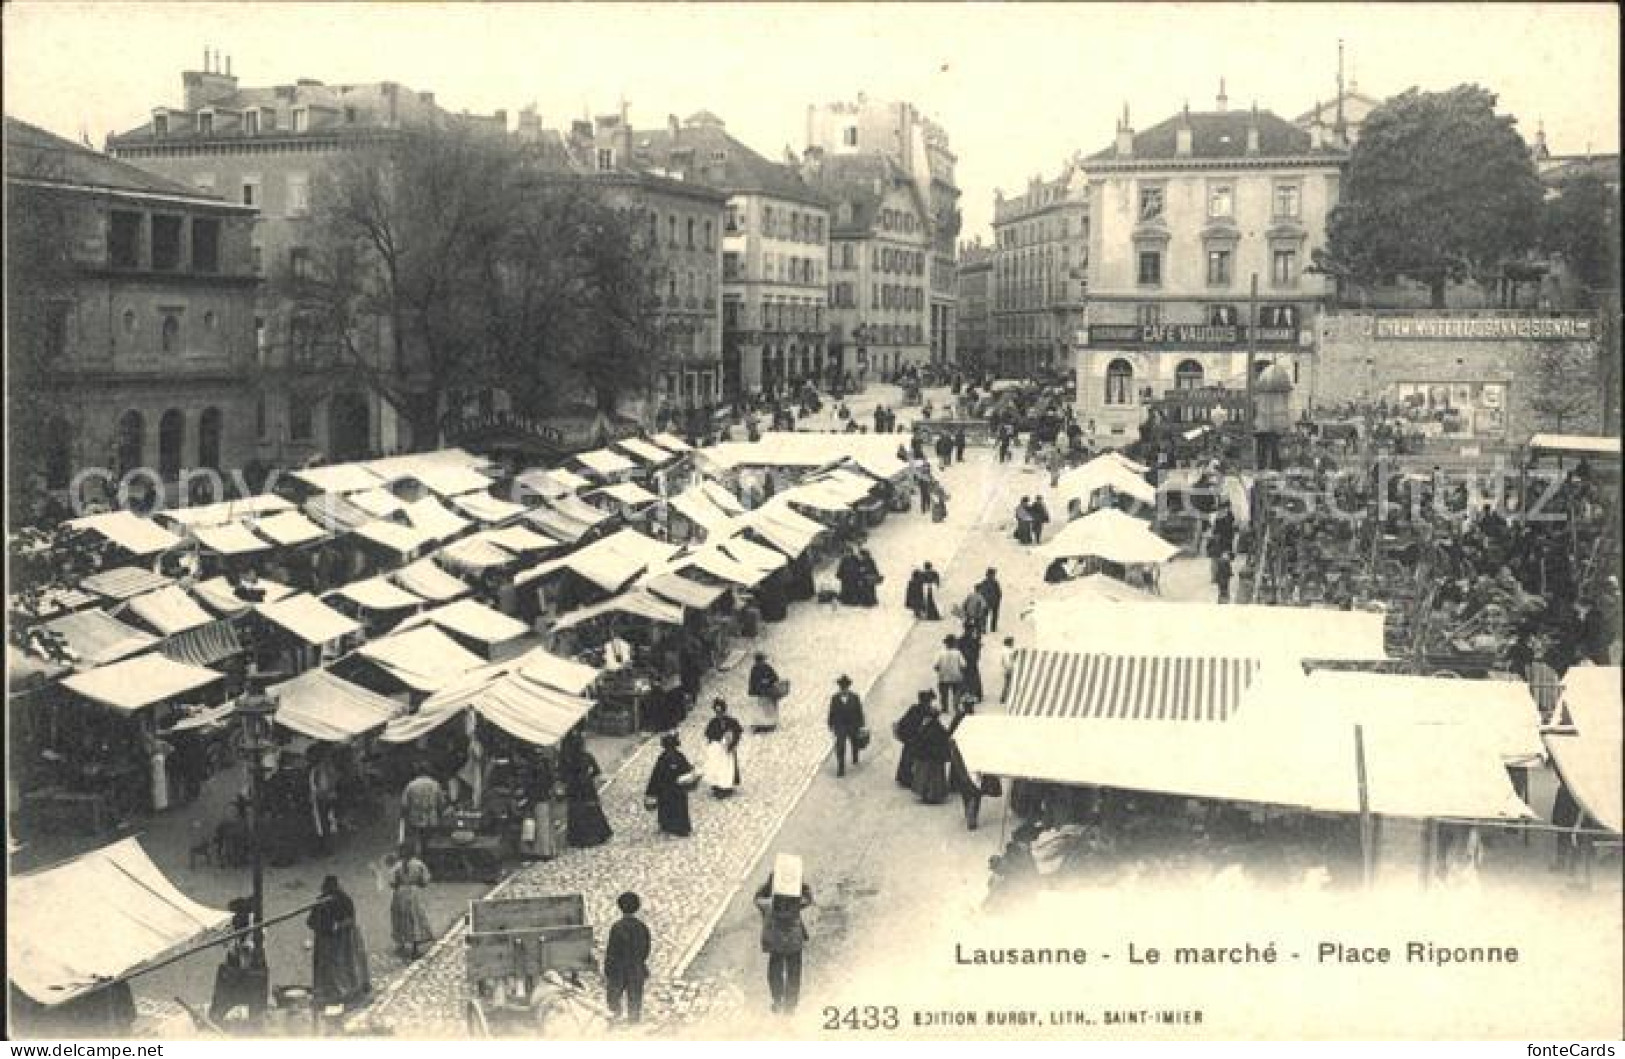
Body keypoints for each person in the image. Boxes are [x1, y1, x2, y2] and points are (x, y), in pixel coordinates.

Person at [754, 868, 814, 1015]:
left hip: (776, 942)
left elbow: (757, 898)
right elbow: (808, 898)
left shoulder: (769, 906)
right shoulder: (795, 905)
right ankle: (791, 1006)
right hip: (794, 941)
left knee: (775, 973)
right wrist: (798, 884)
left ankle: (778, 1000)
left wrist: (770, 884)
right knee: (794, 973)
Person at [307, 875, 370, 1010]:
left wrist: (337, 926)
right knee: (326, 966)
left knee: (344, 964)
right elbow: (310, 921)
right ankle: (328, 993)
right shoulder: (320, 902)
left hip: (343, 940)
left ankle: (347, 992)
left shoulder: (344, 900)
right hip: (325, 940)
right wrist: (322, 926)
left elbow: (350, 919)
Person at [604, 891, 652, 1025]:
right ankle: (633, 1024)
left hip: (619, 970)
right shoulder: (642, 927)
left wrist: (608, 969)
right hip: (636, 969)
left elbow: (612, 951)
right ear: (637, 907)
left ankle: (615, 1020)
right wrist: (640, 962)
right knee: (635, 1000)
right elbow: (646, 949)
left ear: (620, 907)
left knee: (613, 999)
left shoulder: (617, 927)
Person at [559, 732, 613, 848]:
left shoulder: (567, 759)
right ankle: (596, 835)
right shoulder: (587, 756)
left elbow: (562, 775)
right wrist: (588, 776)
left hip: (574, 786)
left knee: (576, 811)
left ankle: (578, 838)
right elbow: (597, 772)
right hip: (587, 786)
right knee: (591, 809)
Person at [645, 733, 699, 837]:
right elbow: (687, 770)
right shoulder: (680, 756)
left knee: (667, 809)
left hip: (665, 790)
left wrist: (651, 791)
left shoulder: (662, 758)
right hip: (678, 789)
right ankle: (680, 828)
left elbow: (656, 776)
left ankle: (668, 826)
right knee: (679, 808)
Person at [388, 845, 434, 960]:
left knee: (400, 917)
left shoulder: (397, 866)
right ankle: (414, 949)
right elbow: (425, 881)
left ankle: (401, 943)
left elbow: (392, 882)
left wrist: (400, 885)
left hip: (400, 894)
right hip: (414, 893)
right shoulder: (419, 865)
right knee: (415, 918)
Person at [947, 704, 986, 830]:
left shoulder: (958, 718)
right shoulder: (976, 723)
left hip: (961, 762)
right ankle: (973, 814)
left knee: (965, 789)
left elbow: (950, 735)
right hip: (975, 762)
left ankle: (968, 812)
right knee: (976, 790)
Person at [909, 705, 953, 804]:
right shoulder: (939, 727)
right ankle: (935, 795)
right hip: (936, 757)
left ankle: (928, 795)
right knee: (935, 777)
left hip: (927, 756)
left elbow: (921, 740)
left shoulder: (927, 728)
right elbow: (945, 738)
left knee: (926, 776)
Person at [399, 766, 447, 856]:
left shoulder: (411, 785)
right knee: (429, 842)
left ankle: (417, 858)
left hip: (415, 818)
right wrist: (440, 816)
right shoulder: (435, 784)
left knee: (416, 841)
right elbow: (441, 803)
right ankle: (427, 859)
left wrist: (404, 819)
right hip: (431, 819)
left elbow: (404, 804)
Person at [893, 691, 936, 788]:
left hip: (912, 738)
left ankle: (905, 778)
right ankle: (910, 779)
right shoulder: (927, 711)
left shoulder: (915, 709)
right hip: (917, 739)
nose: (928, 703)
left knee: (908, 758)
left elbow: (904, 721)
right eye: (928, 701)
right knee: (914, 759)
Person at [702, 698, 744, 797]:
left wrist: (732, 743)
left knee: (727, 768)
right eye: (717, 712)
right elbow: (709, 735)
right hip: (717, 750)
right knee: (716, 768)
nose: (719, 714)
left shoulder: (732, 721)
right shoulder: (713, 722)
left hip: (727, 751)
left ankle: (726, 787)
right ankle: (717, 786)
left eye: (720, 711)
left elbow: (737, 732)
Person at [827, 675, 866, 777]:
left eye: (845, 687)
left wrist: (861, 725)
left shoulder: (855, 697)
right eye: (842, 687)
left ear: (848, 687)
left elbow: (859, 711)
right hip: (840, 726)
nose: (844, 689)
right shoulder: (835, 698)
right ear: (839, 687)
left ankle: (855, 756)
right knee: (840, 746)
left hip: (853, 725)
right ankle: (841, 768)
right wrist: (830, 724)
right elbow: (832, 712)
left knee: (854, 742)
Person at [746, 652, 783, 732]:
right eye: (759, 661)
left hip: (768, 692)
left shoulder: (766, 667)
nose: (760, 662)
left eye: (760, 660)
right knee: (762, 709)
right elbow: (752, 681)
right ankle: (763, 724)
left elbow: (775, 677)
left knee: (768, 708)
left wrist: (768, 681)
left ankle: (770, 724)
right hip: (761, 693)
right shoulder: (755, 669)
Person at [933, 635, 966, 711]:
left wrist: (940, 671)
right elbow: (963, 665)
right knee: (956, 692)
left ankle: (945, 707)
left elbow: (936, 666)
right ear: (954, 643)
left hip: (943, 677)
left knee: (944, 694)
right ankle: (956, 706)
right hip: (956, 676)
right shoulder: (958, 653)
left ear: (946, 643)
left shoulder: (941, 653)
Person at [958, 624, 984, 702]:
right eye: (971, 630)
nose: (972, 632)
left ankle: (972, 694)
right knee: (972, 678)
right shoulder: (969, 640)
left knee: (968, 678)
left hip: (970, 662)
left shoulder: (962, 639)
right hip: (969, 662)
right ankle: (973, 694)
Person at [995, 636, 1018, 704]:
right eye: (1012, 642)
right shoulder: (1008, 651)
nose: (1013, 644)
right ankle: (1004, 698)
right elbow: (1008, 661)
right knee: (1009, 684)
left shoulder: (1004, 650)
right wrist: (1010, 668)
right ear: (1009, 643)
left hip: (1006, 669)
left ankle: (1003, 698)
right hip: (1008, 669)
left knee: (1007, 683)